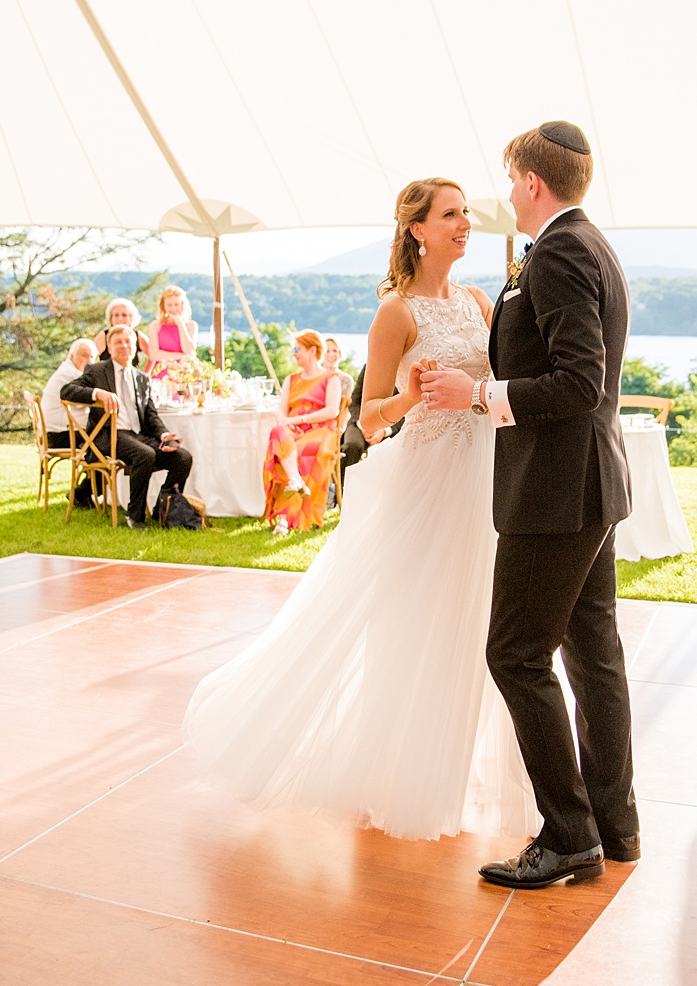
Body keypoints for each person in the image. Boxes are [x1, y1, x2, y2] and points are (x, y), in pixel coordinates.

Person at [183, 176, 532, 841]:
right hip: (425, 483)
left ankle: (454, 770)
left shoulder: (480, 302)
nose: (466, 223)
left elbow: (495, 385)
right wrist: (409, 396)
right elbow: (368, 422)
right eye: (451, 214)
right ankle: (400, 775)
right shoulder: (396, 314)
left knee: (473, 624)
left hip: (482, 480)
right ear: (417, 229)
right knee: (413, 626)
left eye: (466, 213)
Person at [423, 121, 639, 887]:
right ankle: (615, 824)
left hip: (555, 491)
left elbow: (581, 381)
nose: (506, 190)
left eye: (511, 177)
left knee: (514, 652)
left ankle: (570, 833)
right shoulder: (591, 245)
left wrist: (480, 394)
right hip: (587, 485)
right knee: (592, 653)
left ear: (532, 182)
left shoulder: (560, 254)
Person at [64, 324, 190, 529]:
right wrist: (98, 393)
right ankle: (135, 516)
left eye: (128, 342)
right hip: (107, 435)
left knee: (182, 457)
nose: (124, 346)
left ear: (135, 347)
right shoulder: (96, 371)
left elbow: (151, 415)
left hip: (137, 435)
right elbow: (67, 391)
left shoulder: (142, 378)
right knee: (145, 455)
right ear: (109, 347)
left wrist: (164, 434)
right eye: (118, 342)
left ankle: (164, 511)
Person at [261, 330, 342, 536]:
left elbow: (332, 410)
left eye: (298, 349)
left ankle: (284, 518)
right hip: (293, 429)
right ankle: (295, 480)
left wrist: (299, 419)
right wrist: (285, 420)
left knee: (304, 449)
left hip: (320, 429)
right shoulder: (291, 379)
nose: (294, 354)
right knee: (277, 432)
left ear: (312, 350)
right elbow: (282, 409)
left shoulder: (331, 378)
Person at [42, 338, 100, 509]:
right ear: (72, 356)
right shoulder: (71, 375)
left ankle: (85, 492)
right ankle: (83, 492)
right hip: (60, 435)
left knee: (105, 443)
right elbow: (87, 403)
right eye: (84, 356)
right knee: (107, 446)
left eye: (92, 357)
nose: (89, 361)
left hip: (56, 432)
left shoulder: (67, 370)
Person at [146, 286, 198, 380]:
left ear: (182, 305)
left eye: (176, 304)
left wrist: (180, 324)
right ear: (164, 306)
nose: (173, 308)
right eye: (169, 305)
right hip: (161, 375)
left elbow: (189, 350)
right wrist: (182, 356)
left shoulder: (191, 326)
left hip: (183, 376)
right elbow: (153, 354)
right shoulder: (155, 325)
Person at [94, 298, 151, 366]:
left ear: (131, 317)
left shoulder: (138, 336)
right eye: (116, 315)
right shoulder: (103, 336)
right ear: (111, 318)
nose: (120, 319)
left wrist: (146, 373)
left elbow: (153, 356)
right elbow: (89, 356)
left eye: (124, 315)